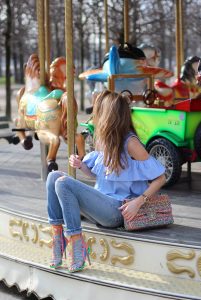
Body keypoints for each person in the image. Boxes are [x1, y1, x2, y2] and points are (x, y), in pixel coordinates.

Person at [46, 90, 166, 273]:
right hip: (101, 204)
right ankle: (58, 238)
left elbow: (160, 177)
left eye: (99, 111)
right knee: (53, 177)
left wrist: (138, 201)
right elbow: (98, 176)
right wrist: (81, 165)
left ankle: (77, 246)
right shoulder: (104, 141)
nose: (95, 115)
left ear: (109, 115)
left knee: (63, 183)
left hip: (117, 211)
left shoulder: (130, 143)